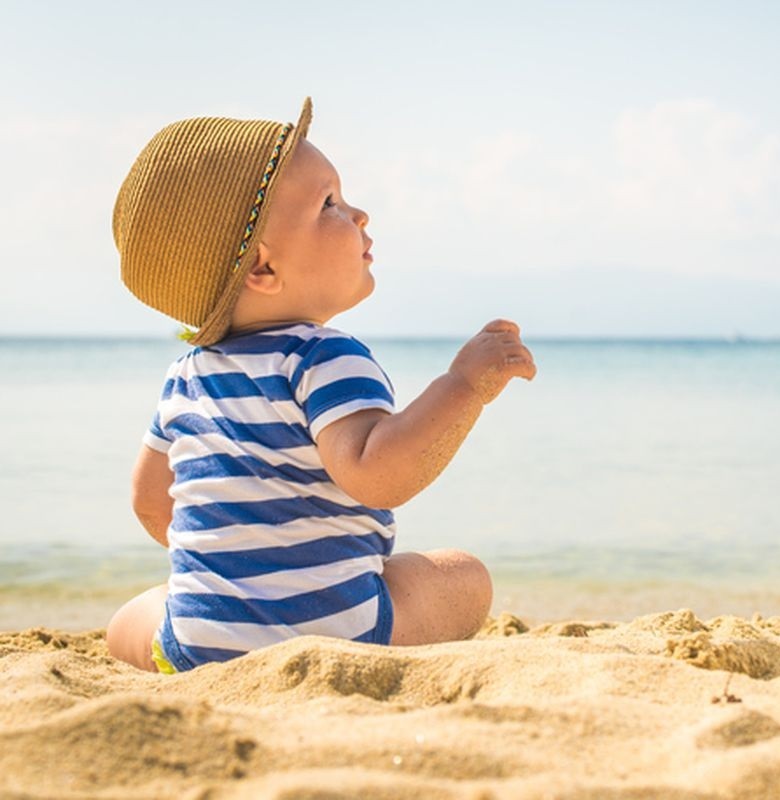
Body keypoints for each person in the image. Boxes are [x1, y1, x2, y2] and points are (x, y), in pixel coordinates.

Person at [106, 97, 535, 673]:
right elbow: (378, 473)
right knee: (463, 576)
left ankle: (194, 637)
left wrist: (240, 570)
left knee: (130, 620)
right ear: (263, 269)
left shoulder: (187, 375)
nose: (360, 214)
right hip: (340, 635)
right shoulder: (323, 355)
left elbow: (150, 502)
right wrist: (464, 386)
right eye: (329, 203)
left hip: (202, 645)